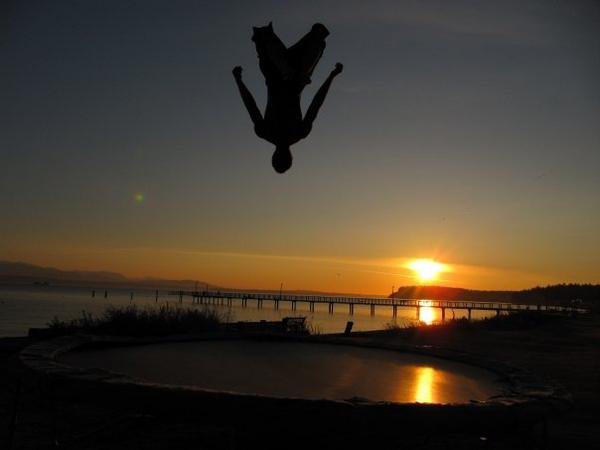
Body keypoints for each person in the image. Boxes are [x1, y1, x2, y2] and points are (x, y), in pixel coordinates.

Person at [233, 22, 343, 173]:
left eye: (281, 157)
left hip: (280, 74)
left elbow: (316, 103)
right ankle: (288, 67)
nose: (283, 154)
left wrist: (238, 81)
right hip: (291, 74)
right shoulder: (292, 132)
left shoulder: (270, 131)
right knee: (319, 35)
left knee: (264, 36)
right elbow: (316, 104)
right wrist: (331, 76)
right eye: (284, 158)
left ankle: (286, 68)